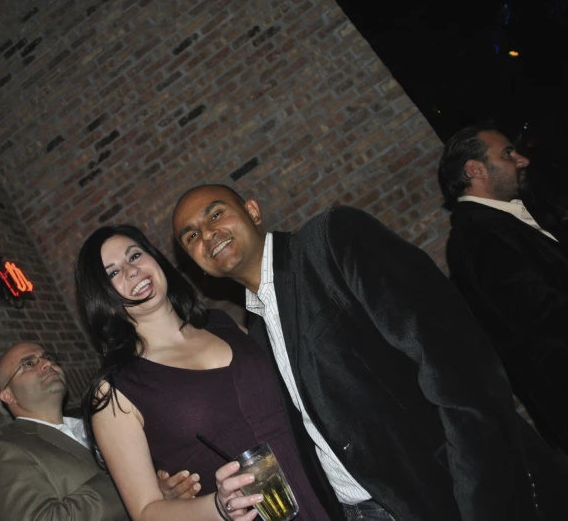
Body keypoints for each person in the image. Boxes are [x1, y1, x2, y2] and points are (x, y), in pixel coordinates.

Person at [172, 184, 568, 521]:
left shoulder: (331, 241)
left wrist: (486, 499)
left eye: (215, 215)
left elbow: (459, 365)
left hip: (457, 494)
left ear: (253, 212)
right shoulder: (255, 336)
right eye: (190, 236)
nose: (207, 235)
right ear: (197, 266)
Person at [76, 225, 332, 521]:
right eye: (113, 273)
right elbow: (146, 511)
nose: (132, 270)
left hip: (326, 487)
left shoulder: (222, 323)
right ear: (102, 301)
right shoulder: (114, 391)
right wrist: (220, 506)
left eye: (135, 255)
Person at [438, 122, 568, 453]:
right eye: (508, 153)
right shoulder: (477, 235)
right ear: (475, 169)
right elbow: (537, 314)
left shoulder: (517, 214)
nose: (521, 160)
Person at [0, 341, 200, 521]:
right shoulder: (2, 451)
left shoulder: (102, 424)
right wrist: (134, 483)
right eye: (28, 364)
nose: (46, 364)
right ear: (8, 396)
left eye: (48, 358)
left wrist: (161, 491)